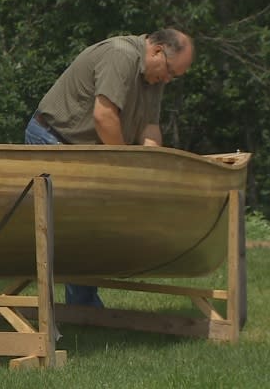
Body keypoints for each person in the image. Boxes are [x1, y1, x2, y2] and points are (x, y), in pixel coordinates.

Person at [25, 28, 194, 308]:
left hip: (84, 150)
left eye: (174, 76)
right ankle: (81, 306)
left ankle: (83, 306)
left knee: (91, 226)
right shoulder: (121, 55)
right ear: (157, 50)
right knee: (77, 226)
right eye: (170, 72)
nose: (168, 79)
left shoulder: (154, 76)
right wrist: (126, 168)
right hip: (52, 139)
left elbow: (150, 129)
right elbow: (104, 117)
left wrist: (153, 172)